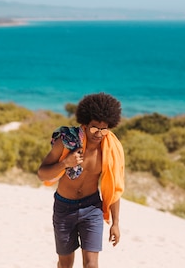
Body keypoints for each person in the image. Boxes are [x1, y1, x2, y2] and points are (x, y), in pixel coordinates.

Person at [38, 92, 125, 268]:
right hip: (64, 208)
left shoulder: (110, 150)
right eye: (94, 128)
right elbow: (42, 173)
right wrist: (65, 163)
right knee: (65, 264)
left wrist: (115, 223)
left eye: (104, 129)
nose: (99, 134)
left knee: (91, 264)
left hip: (92, 207)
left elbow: (114, 187)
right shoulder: (66, 143)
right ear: (84, 124)